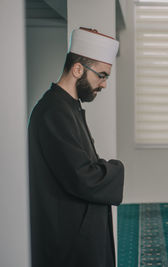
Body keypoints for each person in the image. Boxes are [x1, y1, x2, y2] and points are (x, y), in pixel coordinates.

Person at [28, 27, 124, 267]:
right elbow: (83, 177)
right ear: (78, 69)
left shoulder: (67, 106)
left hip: (77, 228)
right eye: (101, 75)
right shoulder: (53, 112)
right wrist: (115, 169)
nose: (103, 85)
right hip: (67, 238)